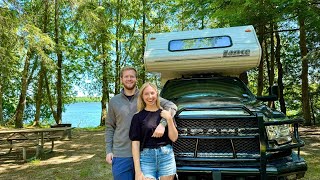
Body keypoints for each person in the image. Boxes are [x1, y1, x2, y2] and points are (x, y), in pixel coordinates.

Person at [105, 67, 177, 180]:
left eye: (132, 76)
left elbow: (172, 106)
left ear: (136, 79)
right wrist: (109, 150)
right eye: (126, 76)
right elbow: (110, 127)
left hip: (145, 153)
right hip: (122, 154)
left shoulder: (146, 95)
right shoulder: (114, 101)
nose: (129, 79)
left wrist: (163, 124)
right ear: (121, 79)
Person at [129, 82, 178, 180]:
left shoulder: (165, 114)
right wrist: (138, 172)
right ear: (142, 96)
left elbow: (174, 138)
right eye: (146, 94)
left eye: (152, 93)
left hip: (166, 157)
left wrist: (169, 119)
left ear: (157, 94)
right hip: (147, 159)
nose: (150, 97)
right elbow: (135, 144)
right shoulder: (137, 117)